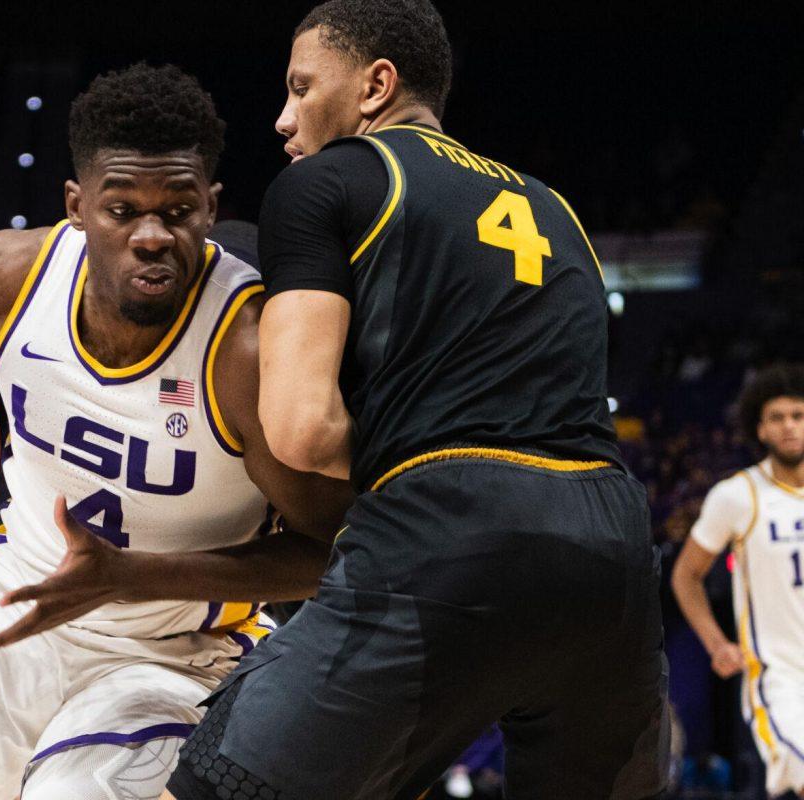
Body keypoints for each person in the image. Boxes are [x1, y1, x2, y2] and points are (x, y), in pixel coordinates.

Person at [0, 63, 351, 800]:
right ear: (77, 205)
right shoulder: (4, 280)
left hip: (169, 655)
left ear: (209, 208)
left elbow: (331, 556)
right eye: (122, 210)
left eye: (177, 210)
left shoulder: (244, 350)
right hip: (11, 613)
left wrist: (130, 577)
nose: (151, 236)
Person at [165, 2, 669, 799]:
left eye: (302, 88)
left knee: (213, 785)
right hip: (611, 548)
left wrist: (413, 464)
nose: (284, 119)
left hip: (449, 527)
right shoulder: (555, 207)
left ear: (376, 86)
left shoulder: (323, 181)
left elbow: (300, 429)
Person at [672, 364, 804, 799]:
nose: (789, 426)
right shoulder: (738, 495)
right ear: (760, 428)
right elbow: (687, 575)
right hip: (779, 679)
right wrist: (715, 644)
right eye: (778, 417)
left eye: (799, 415)